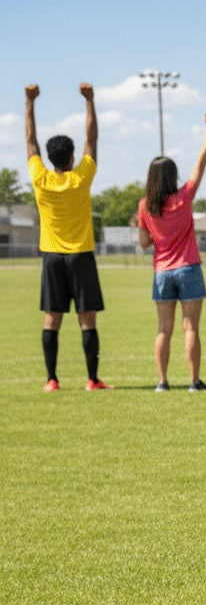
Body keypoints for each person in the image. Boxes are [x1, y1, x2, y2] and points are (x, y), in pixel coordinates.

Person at [25, 83, 108, 391]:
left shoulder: (40, 177)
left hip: (51, 258)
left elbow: (30, 141)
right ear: (72, 158)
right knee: (87, 320)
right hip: (81, 256)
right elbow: (92, 139)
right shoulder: (81, 177)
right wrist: (90, 101)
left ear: (50, 158)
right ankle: (92, 379)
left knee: (52, 320)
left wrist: (29, 102)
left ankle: (51, 380)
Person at [135, 114, 206, 391]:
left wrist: (141, 225)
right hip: (189, 267)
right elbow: (201, 163)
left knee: (163, 329)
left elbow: (145, 243)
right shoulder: (183, 197)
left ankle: (162, 382)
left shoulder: (145, 205)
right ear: (172, 176)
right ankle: (194, 381)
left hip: (162, 271)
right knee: (190, 328)